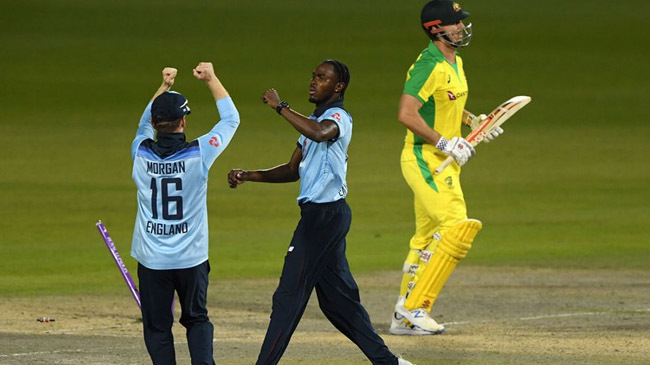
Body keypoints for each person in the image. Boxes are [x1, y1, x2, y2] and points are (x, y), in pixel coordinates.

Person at [228, 60, 413, 365]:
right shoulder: (313, 120)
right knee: (340, 304)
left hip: (324, 218)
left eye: (322, 78)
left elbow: (319, 133)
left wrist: (280, 106)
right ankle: (388, 362)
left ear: (338, 87)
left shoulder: (337, 117)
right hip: (324, 217)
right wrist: (250, 175)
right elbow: (292, 169)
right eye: (313, 76)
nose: (314, 81)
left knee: (288, 297)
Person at [390, 0, 503, 336]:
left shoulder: (456, 62)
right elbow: (407, 114)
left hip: (447, 161)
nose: (461, 27)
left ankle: (403, 319)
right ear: (435, 29)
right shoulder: (428, 65)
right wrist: (444, 143)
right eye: (455, 23)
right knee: (457, 228)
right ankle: (415, 307)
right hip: (426, 159)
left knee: (425, 239)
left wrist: (474, 121)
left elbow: (449, 105)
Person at [130, 62, 240, 364]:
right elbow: (231, 120)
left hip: (152, 260)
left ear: (155, 122)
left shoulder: (139, 150)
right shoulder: (200, 153)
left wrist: (163, 87)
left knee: (156, 327)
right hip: (192, 258)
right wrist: (211, 79)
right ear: (183, 122)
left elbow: (142, 125)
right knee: (196, 320)